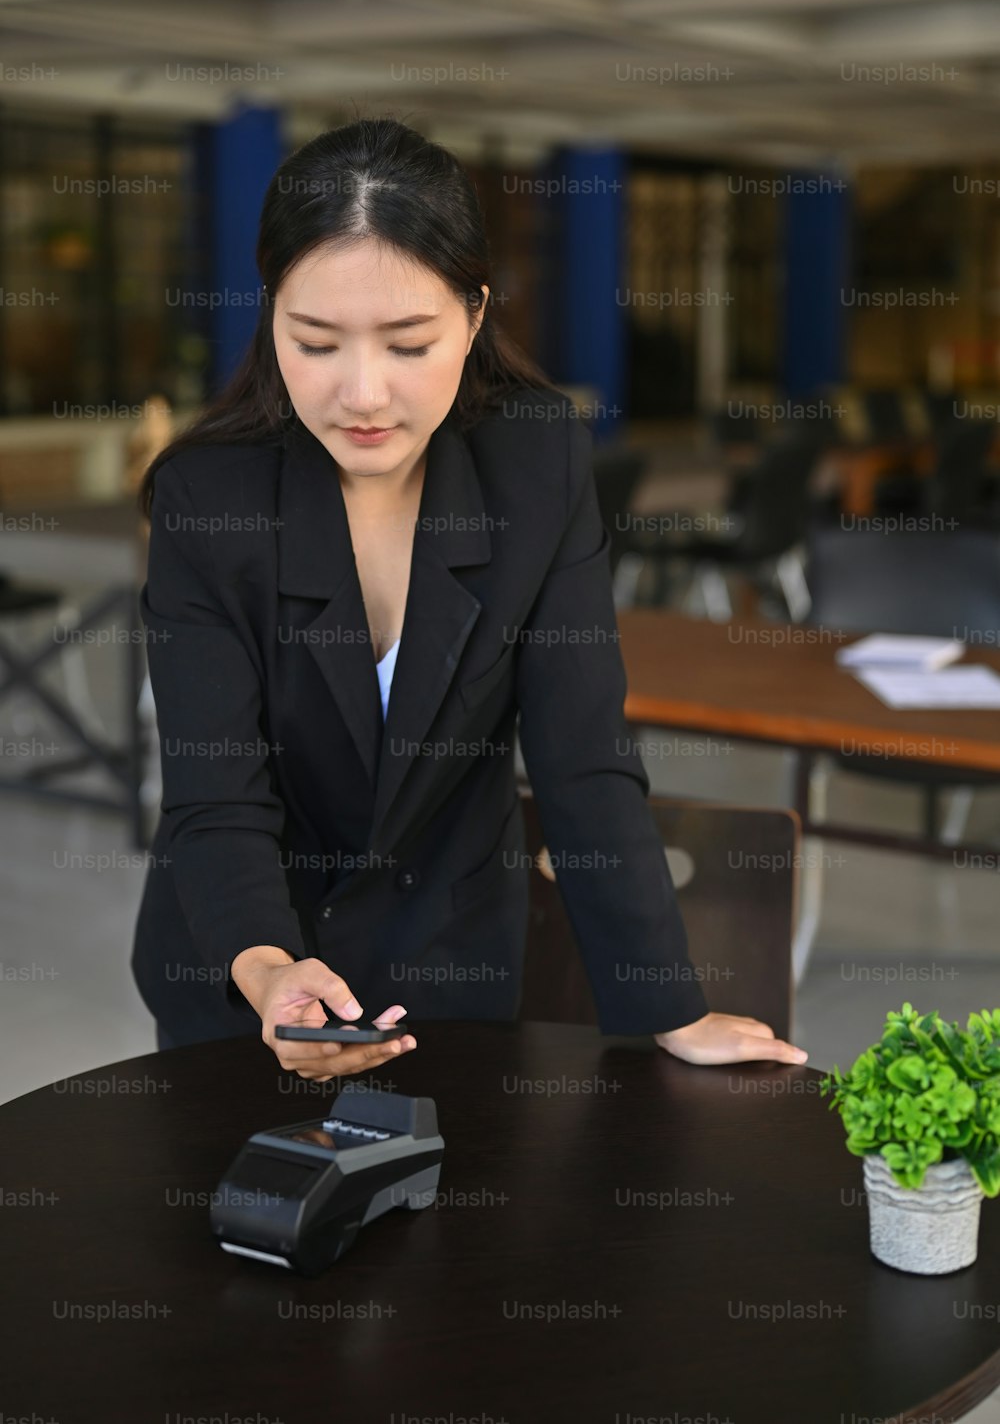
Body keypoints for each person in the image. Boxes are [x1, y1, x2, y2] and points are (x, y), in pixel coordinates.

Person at [131, 116, 808, 1080]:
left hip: (447, 966)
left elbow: (584, 760)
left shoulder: (536, 463)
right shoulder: (209, 498)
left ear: (476, 313)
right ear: (270, 312)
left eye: (409, 344)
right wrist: (271, 968)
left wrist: (671, 1005)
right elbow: (215, 793)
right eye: (315, 341)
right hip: (239, 975)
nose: (362, 393)